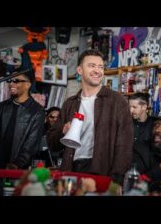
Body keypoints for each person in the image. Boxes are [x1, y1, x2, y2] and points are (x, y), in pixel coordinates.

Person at [47, 49, 133, 185]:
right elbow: (52, 143)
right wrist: (63, 131)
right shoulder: (70, 103)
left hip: (102, 170)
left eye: (100, 67)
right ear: (80, 70)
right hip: (71, 169)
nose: (97, 71)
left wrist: (117, 180)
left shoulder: (117, 101)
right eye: (92, 66)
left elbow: (124, 146)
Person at [0, 70, 45, 169]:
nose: (11, 84)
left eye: (16, 80)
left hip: (17, 169)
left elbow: (31, 144)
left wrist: (17, 164)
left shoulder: (37, 111)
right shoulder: (0, 107)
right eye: (10, 80)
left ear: (28, 85)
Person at [128, 92, 153, 173]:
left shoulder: (154, 126)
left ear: (144, 107)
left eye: (134, 107)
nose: (130, 110)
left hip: (146, 174)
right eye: (129, 107)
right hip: (126, 171)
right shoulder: (126, 124)